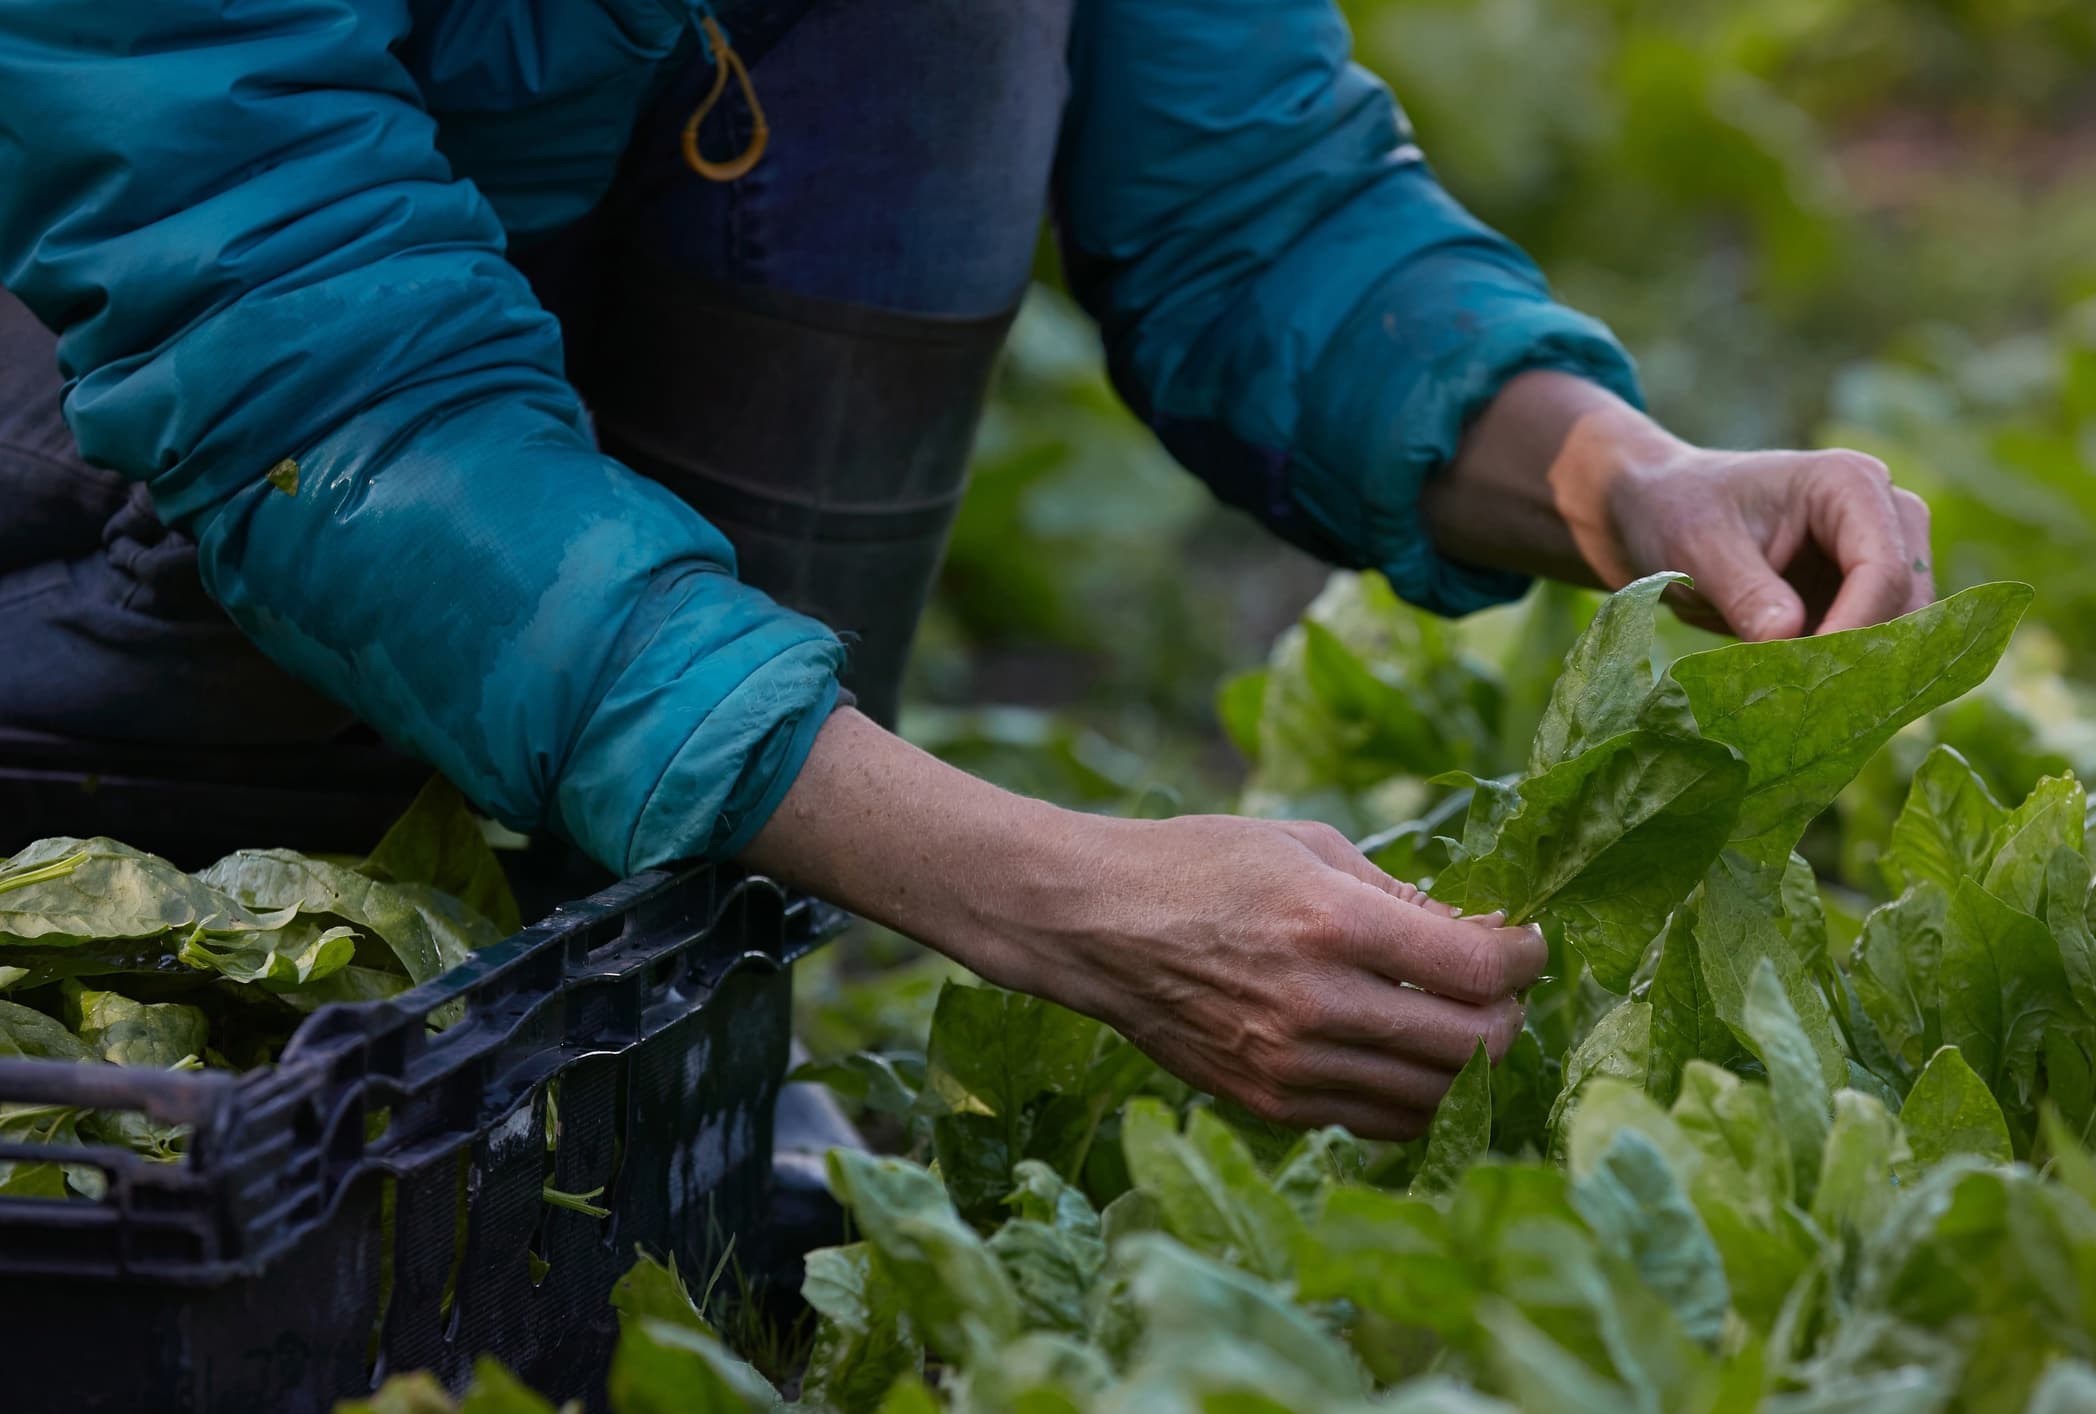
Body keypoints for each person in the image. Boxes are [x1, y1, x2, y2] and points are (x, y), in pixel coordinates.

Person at [0, 0, 1935, 1141]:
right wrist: (1038, 893)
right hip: (120, 446)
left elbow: (1253, 201)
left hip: (455, 413)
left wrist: (1628, 480)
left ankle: (673, 1001)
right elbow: (315, 379)